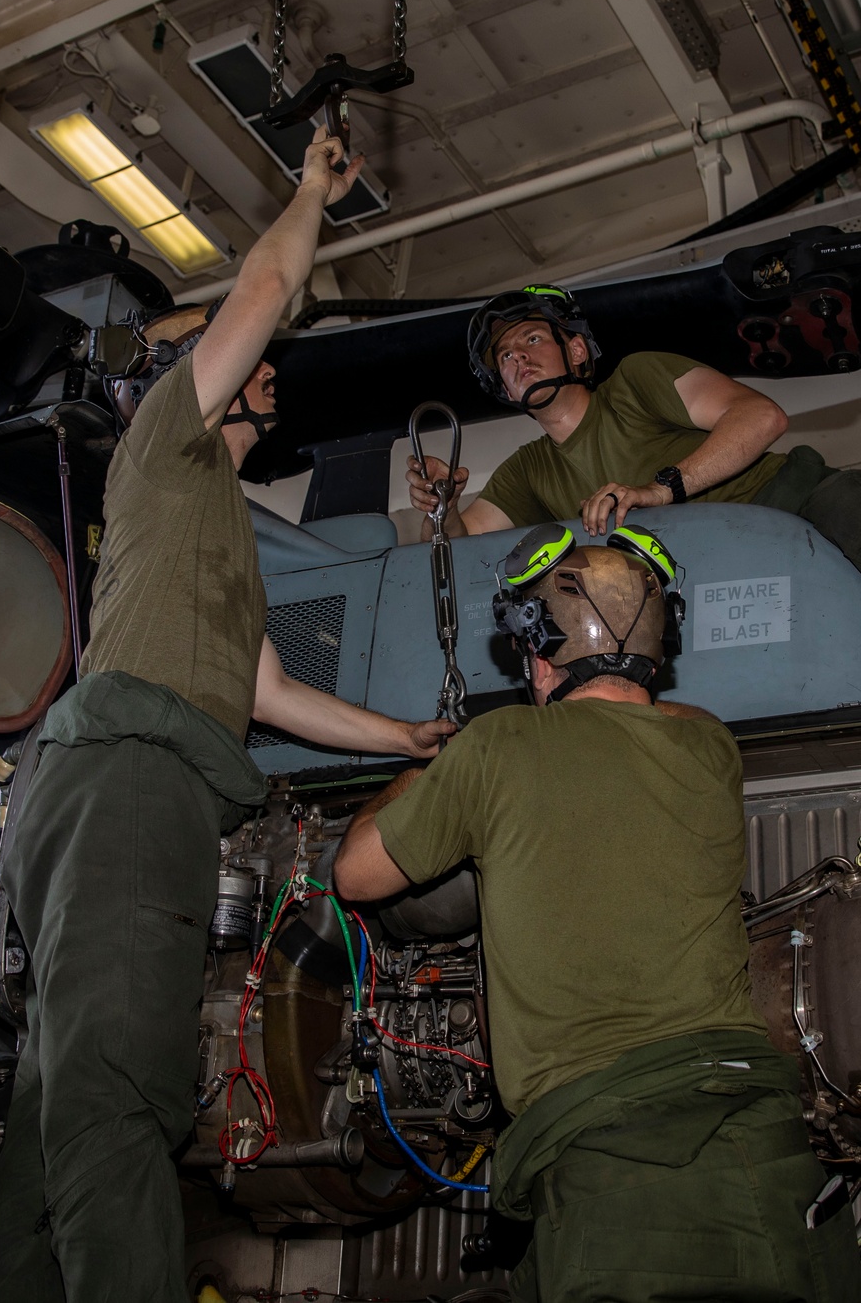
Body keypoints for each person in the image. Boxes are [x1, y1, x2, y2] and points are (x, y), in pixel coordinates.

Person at [0, 129, 454, 1303]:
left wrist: (402, 741)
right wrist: (307, 192)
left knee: (61, 1094)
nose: (269, 370)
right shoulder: (162, 441)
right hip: (133, 778)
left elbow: (266, 695)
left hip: (128, 785)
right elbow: (264, 285)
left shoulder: (219, 525)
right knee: (119, 1087)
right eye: (249, 363)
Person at [334, 521, 861, 1302]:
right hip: (764, 1147)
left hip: (614, 1169)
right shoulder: (710, 747)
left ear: (538, 660)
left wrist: (437, 763)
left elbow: (353, 874)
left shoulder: (497, 748)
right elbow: (652, 718)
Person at [406, 286, 861, 570]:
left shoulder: (634, 380)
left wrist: (659, 490)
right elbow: (458, 551)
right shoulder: (527, 470)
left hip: (799, 505)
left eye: (533, 338)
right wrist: (439, 507)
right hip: (723, 568)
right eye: (504, 355)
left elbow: (762, 417)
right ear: (503, 388)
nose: (518, 357)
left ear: (578, 351)